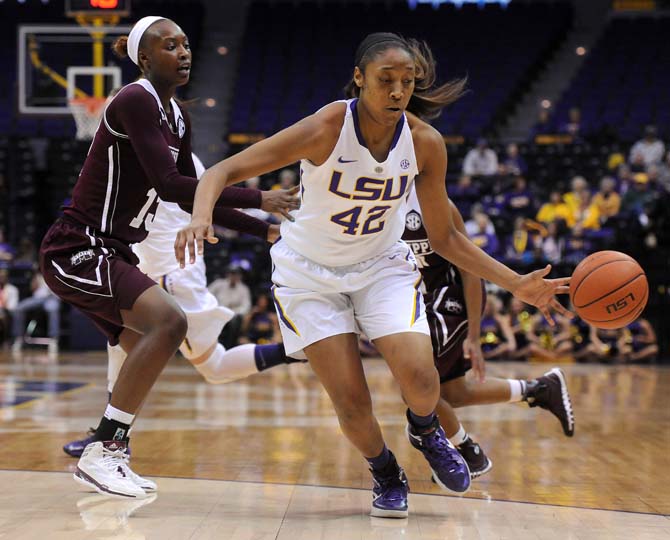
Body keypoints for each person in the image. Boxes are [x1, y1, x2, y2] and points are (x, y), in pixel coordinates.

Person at [176, 32, 570, 518]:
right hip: (308, 277)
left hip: (382, 267)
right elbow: (218, 173)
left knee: (424, 379)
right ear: (360, 79)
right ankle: (386, 473)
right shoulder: (325, 127)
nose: (398, 91)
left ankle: (425, 430)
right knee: (351, 401)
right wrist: (200, 216)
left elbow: (445, 238)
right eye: (387, 80)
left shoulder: (425, 143)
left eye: (408, 82)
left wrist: (516, 283)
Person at [38, 16, 300, 499]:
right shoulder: (134, 99)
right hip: (77, 246)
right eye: (168, 46)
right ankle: (105, 452)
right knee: (169, 324)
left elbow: (189, 200)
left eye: (185, 44)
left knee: (140, 343)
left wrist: (264, 229)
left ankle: (108, 447)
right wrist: (259, 198)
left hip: (113, 251)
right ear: (144, 58)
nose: (183, 52)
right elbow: (172, 184)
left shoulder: (178, 117)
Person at [62, 154, 302, 458]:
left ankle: (299, 349)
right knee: (119, 342)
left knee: (214, 367)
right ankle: (110, 435)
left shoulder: (159, 154)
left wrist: (259, 214)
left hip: (169, 272)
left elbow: (209, 201)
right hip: (156, 266)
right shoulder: (171, 152)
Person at [403, 193, 574, 477]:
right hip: (420, 304)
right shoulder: (378, 205)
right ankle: (540, 389)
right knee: (452, 392)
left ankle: (468, 453)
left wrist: (474, 335)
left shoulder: (438, 205)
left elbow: (471, 273)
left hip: (451, 301)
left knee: (414, 382)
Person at [11, 271, 61, 357]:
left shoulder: (59, 271)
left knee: (53, 309)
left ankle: (54, 339)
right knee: (19, 308)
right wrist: (34, 282)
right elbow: (32, 288)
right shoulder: (38, 273)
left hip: (52, 298)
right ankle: (18, 338)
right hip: (38, 298)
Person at [208, 266, 252, 347]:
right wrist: (214, 308)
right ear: (228, 274)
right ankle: (210, 346)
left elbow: (246, 306)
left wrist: (234, 313)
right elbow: (207, 295)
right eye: (232, 274)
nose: (233, 276)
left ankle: (229, 346)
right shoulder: (219, 284)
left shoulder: (243, 289)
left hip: (233, 314)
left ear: (240, 276)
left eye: (236, 274)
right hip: (217, 311)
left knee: (235, 322)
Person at [0, 269, 19, 346]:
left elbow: (13, 306)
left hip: (7, 312)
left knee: (2, 314)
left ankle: (6, 339)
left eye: (3, 277)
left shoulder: (13, 289)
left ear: (7, 278)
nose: (1, 278)